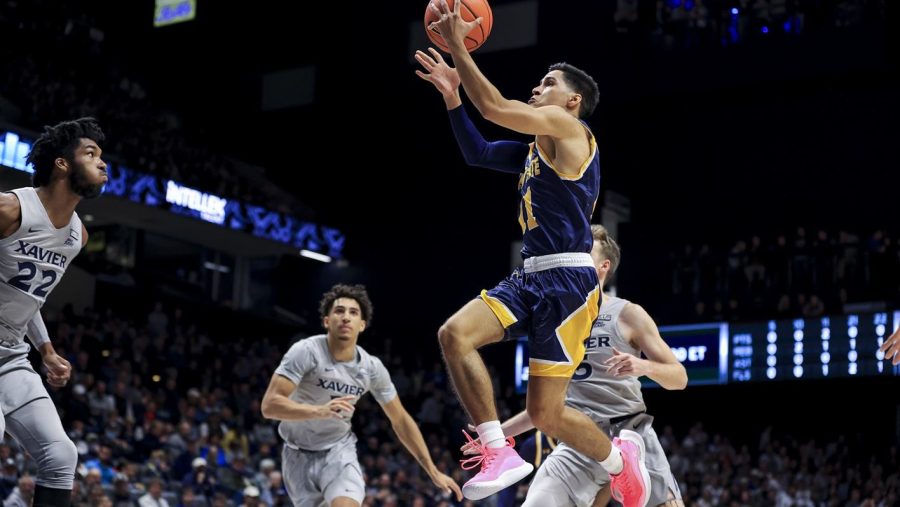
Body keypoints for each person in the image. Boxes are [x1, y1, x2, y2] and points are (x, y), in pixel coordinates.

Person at [416, 2, 649, 504]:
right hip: (529, 276)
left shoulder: (573, 132)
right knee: (453, 335)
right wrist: (454, 98)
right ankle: (497, 449)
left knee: (546, 414)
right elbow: (478, 152)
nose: (538, 88)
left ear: (573, 101)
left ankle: (617, 462)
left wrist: (459, 44)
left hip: (569, 281)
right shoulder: (533, 150)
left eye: (548, 83)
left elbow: (497, 107)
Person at [466, 225, 687, 507]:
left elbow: (679, 378)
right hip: (578, 438)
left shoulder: (627, 313)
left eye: (584, 253)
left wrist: (644, 368)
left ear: (603, 266)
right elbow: (543, 408)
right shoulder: (556, 319)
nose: (575, 258)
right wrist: (495, 434)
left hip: (630, 431)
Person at [260, 284, 462, 507]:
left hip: (338, 453)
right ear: (327, 321)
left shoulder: (371, 368)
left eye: (353, 313)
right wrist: (320, 411)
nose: (346, 317)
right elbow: (269, 406)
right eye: (339, 311)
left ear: (362, 325)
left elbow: (401, 420)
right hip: (296, 456)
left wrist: (432, 470)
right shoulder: (305, 351)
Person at [0, 117, 107, 507]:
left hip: (10, 354)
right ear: (62, 163)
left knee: (61, 455)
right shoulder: (11, 208)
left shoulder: (78, 235)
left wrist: (45, 350)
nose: (102, 163)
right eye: (91, 154)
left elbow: (26, 298)